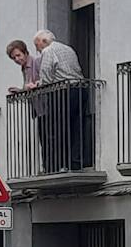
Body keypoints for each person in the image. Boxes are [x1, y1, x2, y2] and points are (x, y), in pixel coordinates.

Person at [31, 29, 88, 172]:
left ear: (43, 42)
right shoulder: (68, 49)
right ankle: (75, 163)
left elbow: (46, 77)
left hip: (62, 92)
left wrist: (36, 85)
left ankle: (56, 166)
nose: (38, 51)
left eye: (37, 46)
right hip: (80, 89)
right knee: (76, 127)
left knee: (57, 129)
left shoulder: (48, 51)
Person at [7, 39, 47, 172]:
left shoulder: (36, 62)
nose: (17, 59)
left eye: (18, 55)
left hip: (46, 106)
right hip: (38, 108)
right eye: (14, 58)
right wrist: (20, 90)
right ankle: (47, 166)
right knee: (43, 138)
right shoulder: (24, 68)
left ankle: (50, 167)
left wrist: (35, 85)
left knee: (49, 137)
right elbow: (28, 86)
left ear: (25, 52)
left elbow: (46, 79)